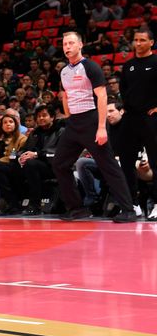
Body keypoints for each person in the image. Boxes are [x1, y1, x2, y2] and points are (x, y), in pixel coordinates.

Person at [52, 32, 137, 222]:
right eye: (65, 43)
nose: (67, 47)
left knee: (108, 166)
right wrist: (67, 113)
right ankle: (77, 208)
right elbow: (66, 95)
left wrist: (101, 127)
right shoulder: (64, 71)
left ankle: (129, 210)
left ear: (80, 44)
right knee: (59, 164)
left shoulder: (90, 67)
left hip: (92, 120)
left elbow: (103, 97)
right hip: (74, 123)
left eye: (71, 43)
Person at [118, 28, 157, 220]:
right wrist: (127, 107)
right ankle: (133, 205)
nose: (138, 43)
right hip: (131, 118)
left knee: (156, 161)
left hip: (151, 118)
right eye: (136, 40)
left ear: (151, 42)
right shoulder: (128, 65)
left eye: (142, 40)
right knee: (125, 161)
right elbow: (123, 89)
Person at [16, 105, 64, 215]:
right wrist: (21, 157)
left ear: (52, 117)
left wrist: (37, 154)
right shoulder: (35, 133)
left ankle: (35, 205)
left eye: (44, 115)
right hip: (34, 165)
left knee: (31, 164)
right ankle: (12, 203)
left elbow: (58, 152)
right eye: (38, 116)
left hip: (53, 166)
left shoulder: (61, 131)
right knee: (0, 167)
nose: (41, 118)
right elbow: (24, 149)